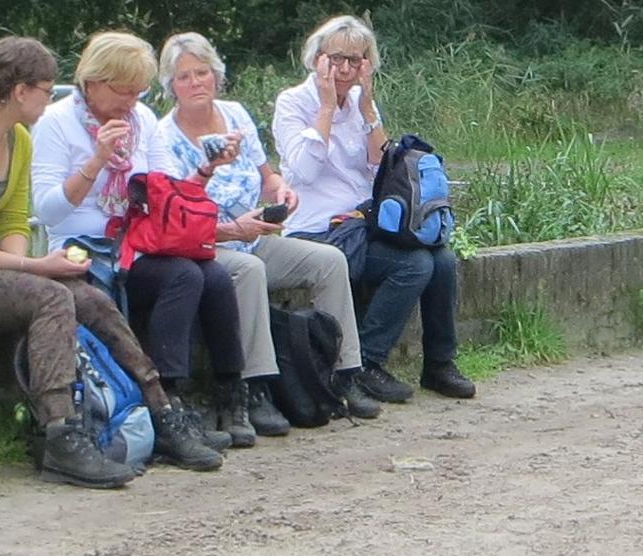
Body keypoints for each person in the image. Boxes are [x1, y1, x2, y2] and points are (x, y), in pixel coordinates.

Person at [0, 36, 222, 490]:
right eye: (46, 89)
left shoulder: (17, 140)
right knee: (51, 296)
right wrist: (33, 270)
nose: (52, 98)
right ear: (19, 92)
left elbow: (13, 220)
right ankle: (61, 433)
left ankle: (160, 408)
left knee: (87, 296)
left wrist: (22, 268)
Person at [31, 31, 256, 448]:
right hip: (84, 245)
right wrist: (97, 160)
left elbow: (166, 193)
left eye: (138, 93)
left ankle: (231, 392)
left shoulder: (143, 122)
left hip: (137, 241)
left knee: (216, 276)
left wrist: (206, 170)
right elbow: (48, 211)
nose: (130, 102)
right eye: (123, 92)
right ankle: (168, 403)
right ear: (93, 82)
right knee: (183, 276)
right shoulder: (56, 124)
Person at [153, 31, 380, 421]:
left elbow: (266, 176)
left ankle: (343, 373)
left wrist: (281, 191)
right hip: (206, 243)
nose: (195, 83)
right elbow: (174, 219)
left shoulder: (235, 115)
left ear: (216, 76)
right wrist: (231, 229)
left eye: (202, 73)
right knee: (249, 269)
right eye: (184, 77)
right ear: (170, 86)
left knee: (328, 261)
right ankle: (255, 386)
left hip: (253, 233)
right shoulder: (163, 138)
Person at [271, 15, 476, 403]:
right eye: (336, 59)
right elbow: (305, 170)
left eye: (356, 60)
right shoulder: (293, 103)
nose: (345, 69)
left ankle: (439, 363)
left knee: (442, 259)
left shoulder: (362, 104)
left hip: (362, 222)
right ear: (318, 59)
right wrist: (328, 108)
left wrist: (366, 110)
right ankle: (364, 362)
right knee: (412, 265)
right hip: (319, 226)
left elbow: (382, 169)